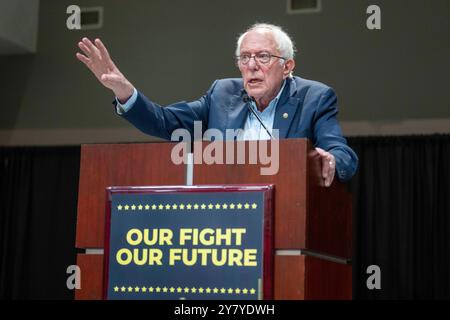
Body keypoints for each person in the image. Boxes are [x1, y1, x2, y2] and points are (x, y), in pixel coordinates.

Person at [76, 23, 358, 186]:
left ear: (287, 66)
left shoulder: (315, 97)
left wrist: (330, 161)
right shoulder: (223, 94)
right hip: (227, 216)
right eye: (244, 58)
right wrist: (125, 92)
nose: (251, 66)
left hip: (287, 217)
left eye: (262, 56)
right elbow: (165, 122)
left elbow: (342, 154)